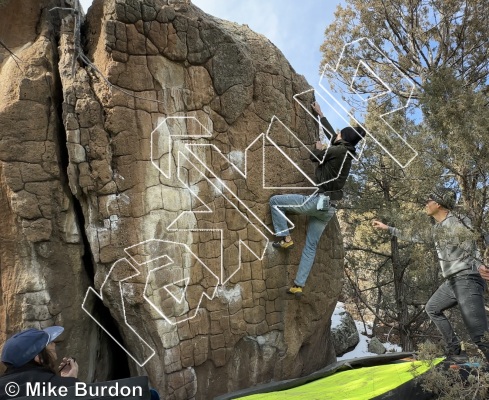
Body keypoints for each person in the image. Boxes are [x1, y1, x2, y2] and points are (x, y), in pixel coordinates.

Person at [372, 187, 489, 362]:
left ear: (439, 203)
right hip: (452, 282)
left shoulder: (459, 221)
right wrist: (388, 228)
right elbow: (413, 235)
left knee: (480, 336)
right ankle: (455, 351)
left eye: (429, 200)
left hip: (467, 279)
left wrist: (482, 264)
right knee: (432, 308)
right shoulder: (437, 229)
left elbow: (482, 238)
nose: (426, 203)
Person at [269, 101, 366, 298]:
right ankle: (299, 285)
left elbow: (315, 156)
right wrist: (320, 114)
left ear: (344, 138)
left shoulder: (337, 151)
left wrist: (318, 147)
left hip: (319, 202)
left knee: (275, 202)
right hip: (329, 209)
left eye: (340, 133)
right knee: (310, 246)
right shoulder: (346, 152)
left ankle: (285, 238)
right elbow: (333, 135)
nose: (336, 134)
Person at [0, 326, 78, 399]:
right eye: (49, 342)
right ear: (38, 357)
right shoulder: (68, 388)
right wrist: (70, 382)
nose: (54, 344)